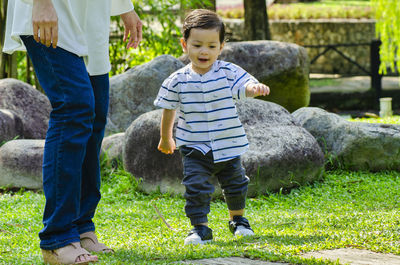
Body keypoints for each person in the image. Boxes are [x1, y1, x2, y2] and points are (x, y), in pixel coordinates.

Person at [3, 0, 142, 264]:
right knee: (74, 108)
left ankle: (81, 226)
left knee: (94, 116)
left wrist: (126, 7)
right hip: (50, 8)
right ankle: (58, 237)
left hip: (90, 15)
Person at [154, 9, 270, 245]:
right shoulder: (176, 80)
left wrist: (254, 89)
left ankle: (238, 221)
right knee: (195, 187)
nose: (204, 51)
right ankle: (200, 228)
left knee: (236, 183)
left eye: (211, 46)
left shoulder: (228, 72)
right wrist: (166, 138)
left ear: (221, 46)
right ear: (184, 44)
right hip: (194, 146)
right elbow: (169, 110)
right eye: (197, 45)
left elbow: (245, 84)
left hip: (228, 144)